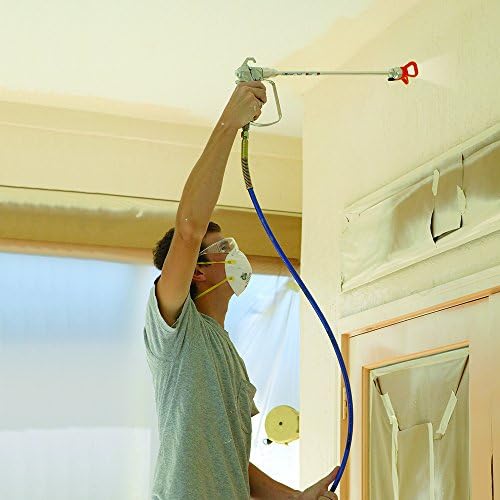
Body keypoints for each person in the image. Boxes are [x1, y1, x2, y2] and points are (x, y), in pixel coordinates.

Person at [143, 80, 339, 499]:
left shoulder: (228, 354)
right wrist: (229, 123)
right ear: (197, 270)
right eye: (223, 248)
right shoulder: (175, 331)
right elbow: (189, 229)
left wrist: (297, 498)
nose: (236, 254)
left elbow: (234, 463)